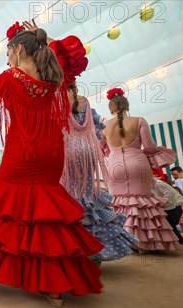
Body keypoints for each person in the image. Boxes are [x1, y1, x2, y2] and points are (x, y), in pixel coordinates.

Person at [0, 23, 104, 306]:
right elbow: (69, 54)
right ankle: (52, 288)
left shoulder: (8, 79)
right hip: (51, 155)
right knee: (45, 219)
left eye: (8, 51)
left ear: (18, 50)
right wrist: (42, 35)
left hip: (21, 153)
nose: (6, 58)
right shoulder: (54, 79)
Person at [55, 38, 137, 263]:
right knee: (87, 195)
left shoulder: (59, 103)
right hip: (88, 156)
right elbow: (100, 127)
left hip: (68, 158)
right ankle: (95, 250)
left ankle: (79, 250)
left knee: (72, 196)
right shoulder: (86, 104)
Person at [101, 88, 181, 252]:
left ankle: (122, 243)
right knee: (141, 202)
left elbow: (102, 149)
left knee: (118, 202)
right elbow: (150, 146)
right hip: (138, 163)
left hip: (115, 166)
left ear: (111, 109)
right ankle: (145, 243)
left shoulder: (104, 125)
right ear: (127, 106)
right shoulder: (139, 120)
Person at [151, 178, 183, 245]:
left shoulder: (159, 184)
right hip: (168, 208)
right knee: (168, 224)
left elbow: (169, 194)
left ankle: (177, 240)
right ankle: (180, 240)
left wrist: (162, 203)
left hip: (173, 207)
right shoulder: (152, 185)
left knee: (169, 224)